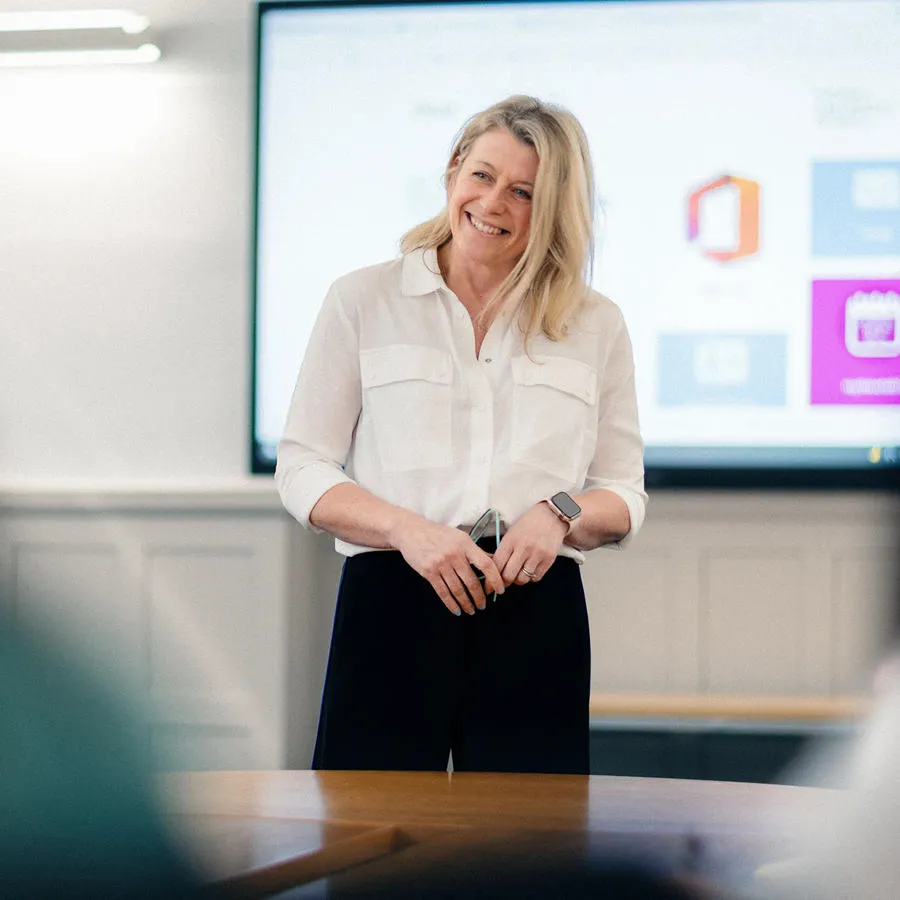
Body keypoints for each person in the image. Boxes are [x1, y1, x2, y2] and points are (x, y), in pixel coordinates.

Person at [276, 95, 647, 775]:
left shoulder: (596, 322)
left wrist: (559, 515)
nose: (493, 202)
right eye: (481, 175)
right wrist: (407, 531)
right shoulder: (362, 299)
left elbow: (623, 493)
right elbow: (302, 467)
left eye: (523, 191)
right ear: (452, 173)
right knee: (366, 844)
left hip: (534, 610)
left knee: (529, 855)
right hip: (391, 600)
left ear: (554, 207)